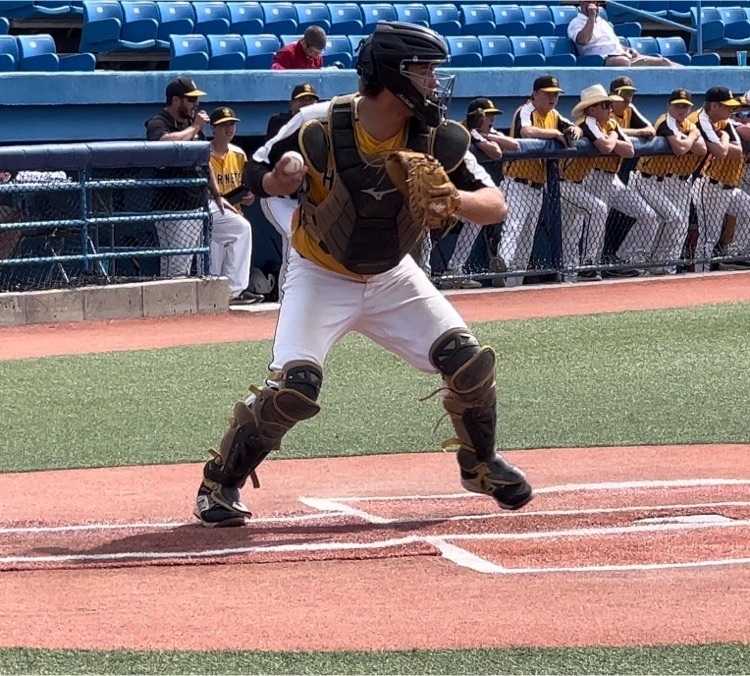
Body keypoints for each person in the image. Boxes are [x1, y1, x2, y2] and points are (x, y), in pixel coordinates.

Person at [193, 21, 533, 528]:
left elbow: (495, 204)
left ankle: (479, 464)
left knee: (469, 363)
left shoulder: (434, 134)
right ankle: (219, 483)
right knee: (294, 389)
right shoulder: (320, 122)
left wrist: (453, 199)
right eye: (423, 71)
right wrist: (279, 179)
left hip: (393, 274)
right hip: (321, 273)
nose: (433, 83)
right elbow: (252, 173)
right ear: (391, 75)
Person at [494, 75, 581, 288]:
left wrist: (575, 131)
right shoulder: (526, 110)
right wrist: (554, 134)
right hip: (517, 182)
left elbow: (574, 128)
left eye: (555, 94)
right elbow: (526, 131)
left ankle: (513, 286)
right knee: (513, 228)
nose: (553, 98)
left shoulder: (554, 114)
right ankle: (501, 268)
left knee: (527, 237)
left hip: (537, 186)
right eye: (548, 94)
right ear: (535, 94)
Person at [145, 76, 231, 279]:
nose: (196, 104)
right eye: (191, 100)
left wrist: (217, 195)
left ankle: (233, 289)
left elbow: (205, 161)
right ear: (176, 100)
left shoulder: (192, 124)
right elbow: (163, 143)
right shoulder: (158, 122)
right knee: (176, 268)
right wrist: (195, 128)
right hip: (173, 208)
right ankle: (170, 299)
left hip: (199, 204)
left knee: (239, 229)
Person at [571, 84, 660, 274]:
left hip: (612, 179)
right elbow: (605, 147)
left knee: (648, 215)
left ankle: (625, 260)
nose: (610, 108)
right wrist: (612, 138)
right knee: (590, 222)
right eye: (605, 105)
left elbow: (629, 151)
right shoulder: (587, 122)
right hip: (589, 177)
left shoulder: (611, 123)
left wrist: (611, 136)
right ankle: (588, 266)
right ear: (592, 109)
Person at [439, 97, 519, 289]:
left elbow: (512, 146)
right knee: (428, 230)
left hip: (464, 196)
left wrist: (488, 136)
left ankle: (454, 271)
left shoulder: (484, 133)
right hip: (442, 189)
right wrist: (480, 136)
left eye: (493, 116)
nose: (492, 120)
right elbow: (496, 153)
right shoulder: (461, 131)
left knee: (476, 221)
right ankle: (429, 273)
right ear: (476, 117)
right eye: (488, 116)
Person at [632, 89, 706, 275]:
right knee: (671, 218)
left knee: (680, 225)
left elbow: (702, 149)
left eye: (685, 106)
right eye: (677, 106)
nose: (681, 110)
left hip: (676, 181)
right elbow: (680, 148)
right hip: (648, 179)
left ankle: (665, 266)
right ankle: (643, 261)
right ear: (669, 106)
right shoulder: (665, 121)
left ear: (690, 109)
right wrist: (692, 136)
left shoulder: (687, 124)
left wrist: (689, 137)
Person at [261, 83, 321, 300]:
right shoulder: (280, 122)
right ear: (292, 103)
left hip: (304, 200)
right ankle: (286, 298)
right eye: (302, 100)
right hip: (277, 198)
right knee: (293, 237)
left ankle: (301, 297)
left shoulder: (321, 126)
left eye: (311, 100)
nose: (307, 103)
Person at [690, 87, 750, 270]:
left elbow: (737, 151)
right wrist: (724, 139)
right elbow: (721, 152)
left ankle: (734, 255)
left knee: (747, 211)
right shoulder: (700, 119)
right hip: (709, 184)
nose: (731, 111)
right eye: (728, 107)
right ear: (715, 106)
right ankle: (700, 274)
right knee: (710, 236)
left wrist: (722, 139)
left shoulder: (723, 122)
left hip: (729, 188)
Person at [208, 107, 263, 305]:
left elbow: (247, 189)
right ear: (213, 128)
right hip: (212, 212)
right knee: (213, 269)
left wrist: (249, 196)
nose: (229, 128)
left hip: (234, 213)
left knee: (239, 235)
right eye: (224, 125)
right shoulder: (204, 153)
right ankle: (227, 294)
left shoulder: (239, 154)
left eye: (232, 124)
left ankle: (234, 291)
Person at [568, 1, 680, 67]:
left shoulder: (603, 23)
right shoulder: (576, 23)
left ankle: (689, 81)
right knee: (622, 61)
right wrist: (591, 17)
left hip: (622, 55)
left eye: (595, 2)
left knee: (664, 62)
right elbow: (583, 40)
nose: (593, 5)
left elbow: (613, 43)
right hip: (600, 59)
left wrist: (627, 49)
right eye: (589, 2)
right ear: (581, 3)